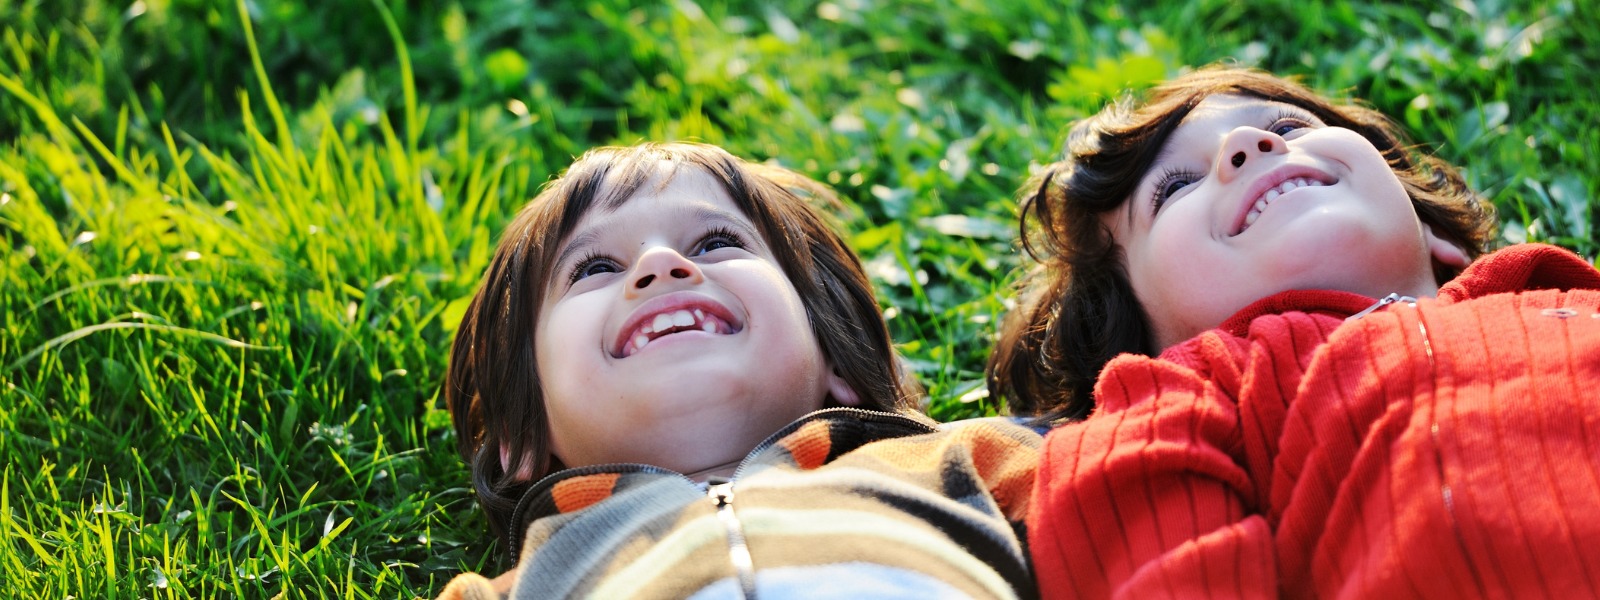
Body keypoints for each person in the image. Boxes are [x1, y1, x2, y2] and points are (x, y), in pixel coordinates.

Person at [989, 66, 1600, 597]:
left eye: (1288, 129)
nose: (1249, 145)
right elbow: (1152, 556)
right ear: (1143, 340)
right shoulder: (1191, 394)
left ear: (1438, 235)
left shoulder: (1549, 290)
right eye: (1174, 188)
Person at [438, 142, 1041, 599]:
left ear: (836, 356)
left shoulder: (967, 465)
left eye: (714, 243)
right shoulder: (520, 587)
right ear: (525, 432)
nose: (660, 265)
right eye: (594, 267)